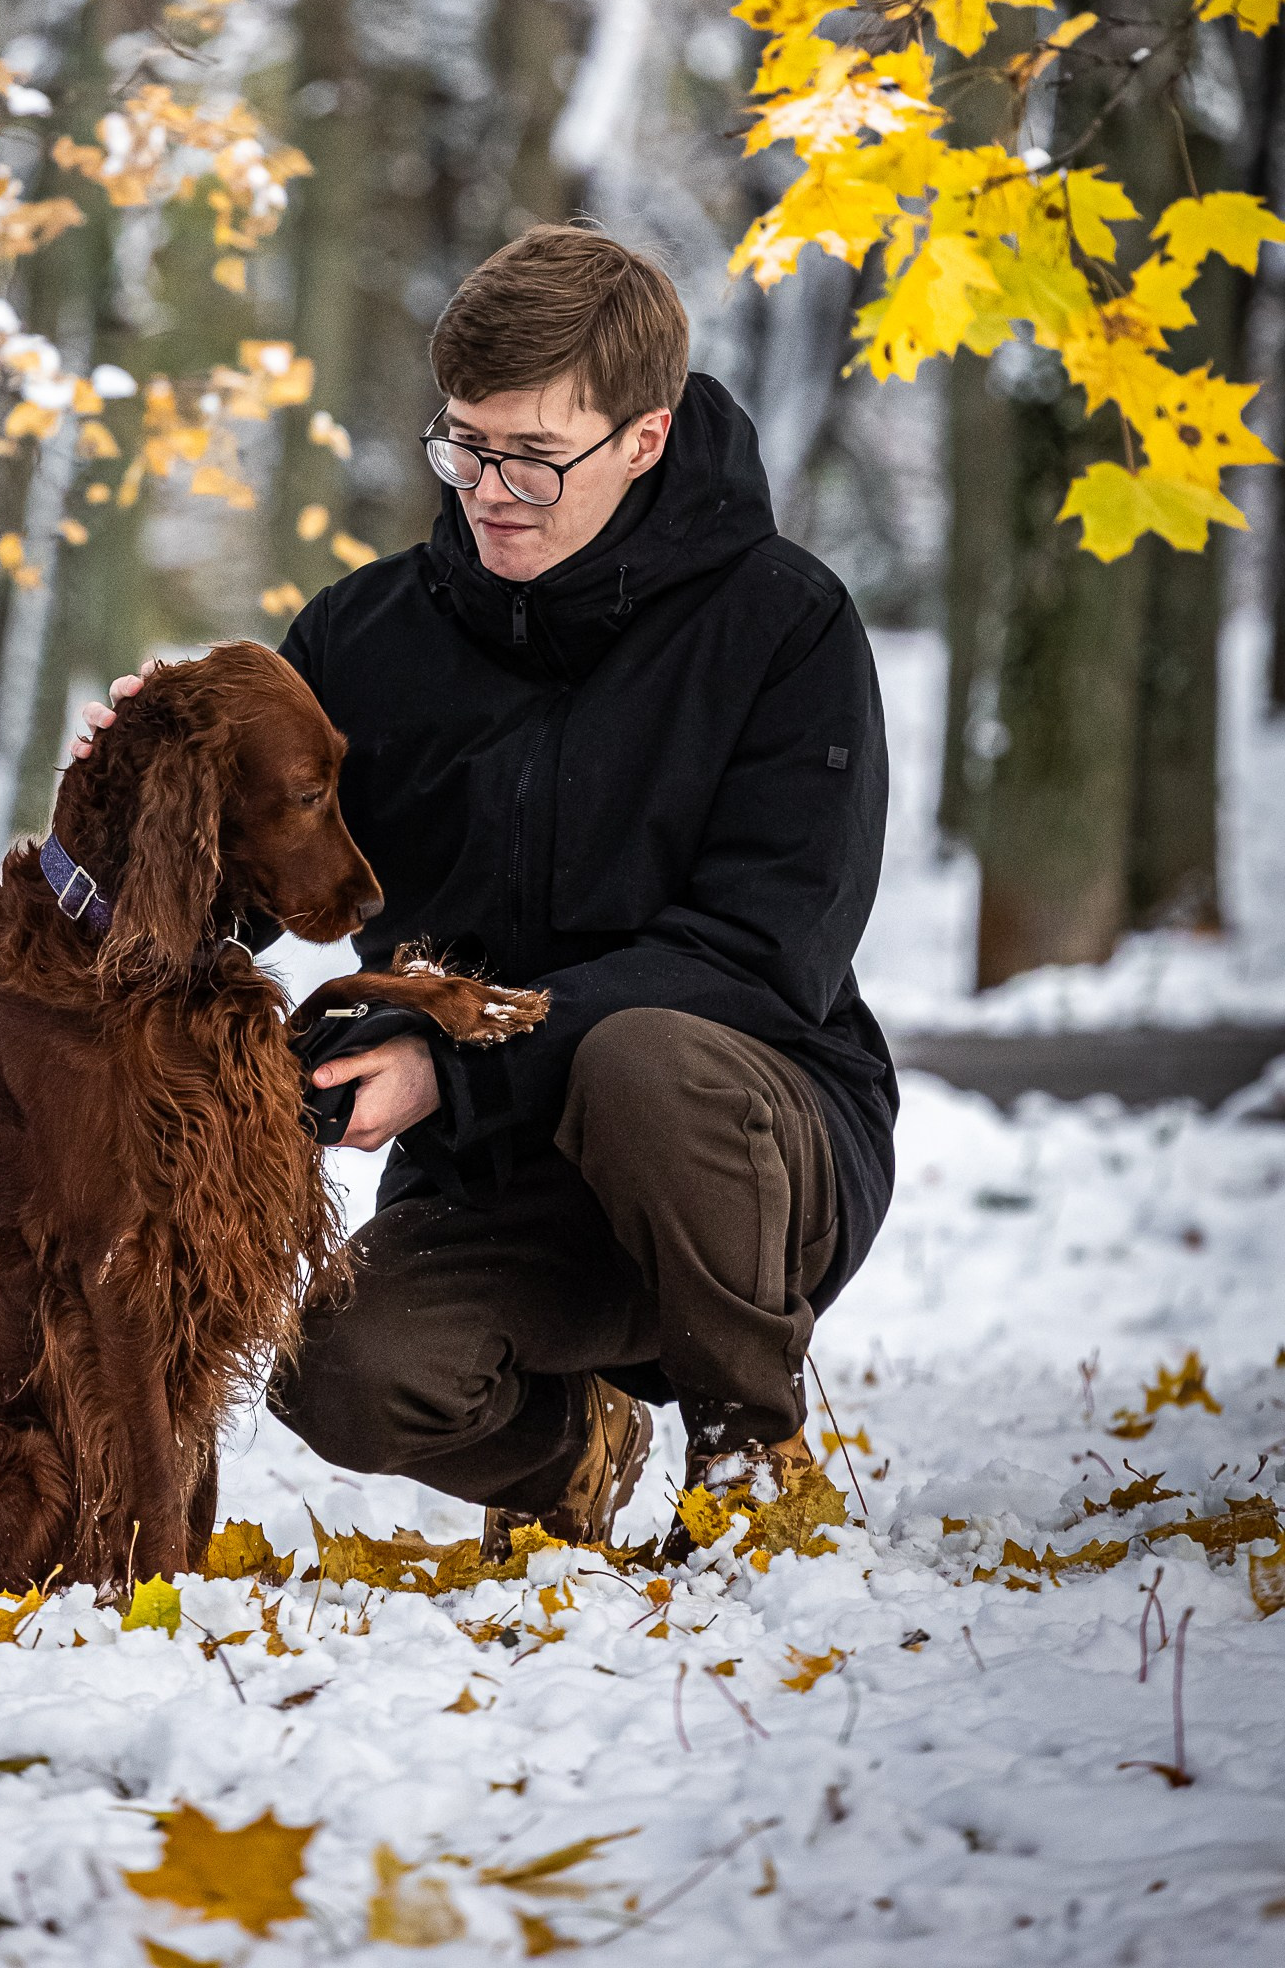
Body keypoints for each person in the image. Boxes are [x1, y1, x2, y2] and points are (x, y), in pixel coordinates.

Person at [72, 223, 893, 1560]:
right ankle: (574, 1453)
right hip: (503, 1187)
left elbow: (759, 955)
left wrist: (452, 1060)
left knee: (643, 1061)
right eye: (464, 445)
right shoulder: (361, 639)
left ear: (645, 438)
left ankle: (753, 1457)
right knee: (334, 1364)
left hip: (748, 1152)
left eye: (533, 456)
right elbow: (250, 884)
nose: (490, 490)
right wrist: (138, 803)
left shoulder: (783, 627)